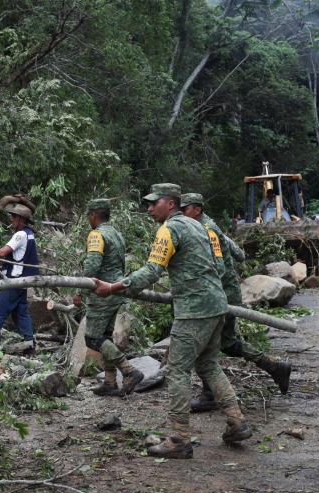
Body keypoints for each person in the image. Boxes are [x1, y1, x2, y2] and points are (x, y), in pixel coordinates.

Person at [92, 183, 251, 459]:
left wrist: (114, 287)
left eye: (154, 203)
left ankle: (178, 438)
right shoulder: (198, 226)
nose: (150, 208)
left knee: (177, 370)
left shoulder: (169, 229)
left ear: (170, 203)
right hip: (217, 304)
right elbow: (216, 266)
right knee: (209, 365)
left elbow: (152, 271)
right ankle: (237, 422)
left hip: (194, 311)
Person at [178, 193, 291, 413]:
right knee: (226, 343)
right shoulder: (210, 226)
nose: (181, 214)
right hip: (224, 292)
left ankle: (212, 394)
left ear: (197, 210)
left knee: (208, 344)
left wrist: (206, 292)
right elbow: (238, 253)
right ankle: (273, 367)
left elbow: (218, 267)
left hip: (220, 294)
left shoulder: (207, 229)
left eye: (185, 210)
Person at [72, 199, 144, 396]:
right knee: (105, 338)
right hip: (117, 291)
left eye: (89, 215)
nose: (88, 219)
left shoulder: (97, 234)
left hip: (102, 293)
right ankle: (110, 382)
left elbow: (92, 267)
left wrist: (80, 291)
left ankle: (129, 371)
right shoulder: (117, 234)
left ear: (94, 215)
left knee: (93, 339)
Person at [0, 202, 39, 352]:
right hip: (23, 281)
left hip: (15, 281)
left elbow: (3, 252)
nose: (11, 220)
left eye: (13, 217)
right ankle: (29, 341)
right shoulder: (30, 234)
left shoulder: (20, 235)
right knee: (20, 313)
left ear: (20, 219)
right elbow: (20, 259)